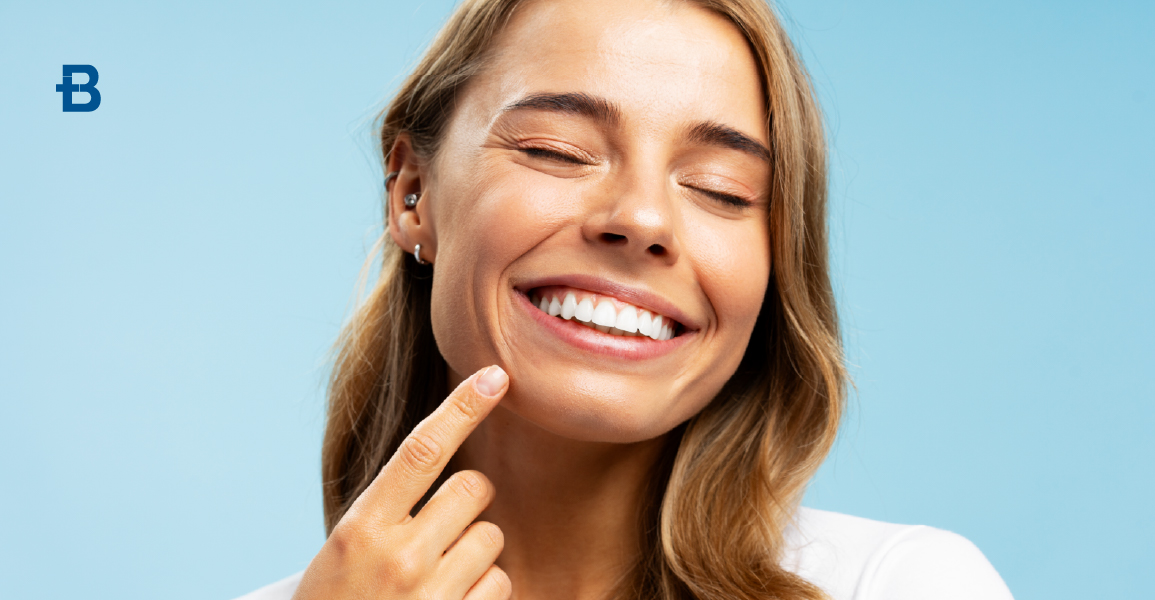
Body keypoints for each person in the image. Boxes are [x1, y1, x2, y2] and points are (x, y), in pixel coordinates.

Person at [237, 0, 1014, 598]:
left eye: (722, 189)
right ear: (412, 193)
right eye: (556, 151)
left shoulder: (899, 583)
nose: (642, 219)